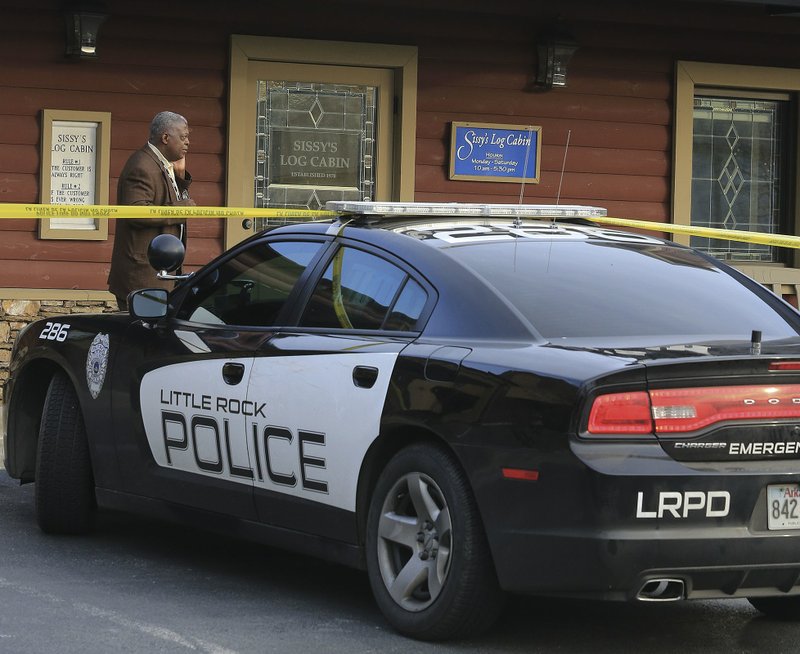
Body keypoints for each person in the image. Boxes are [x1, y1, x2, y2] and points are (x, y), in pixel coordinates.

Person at [107, 111, 196, 310]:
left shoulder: (162, 163)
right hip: (143, 277)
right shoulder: (142, 165)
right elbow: (137, 212)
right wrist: (178, 210)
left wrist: (180, 179)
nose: (188, 142)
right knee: (143, 335)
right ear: (165, 138)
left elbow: (164, 198)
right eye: (183, 137)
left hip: (157, 273)